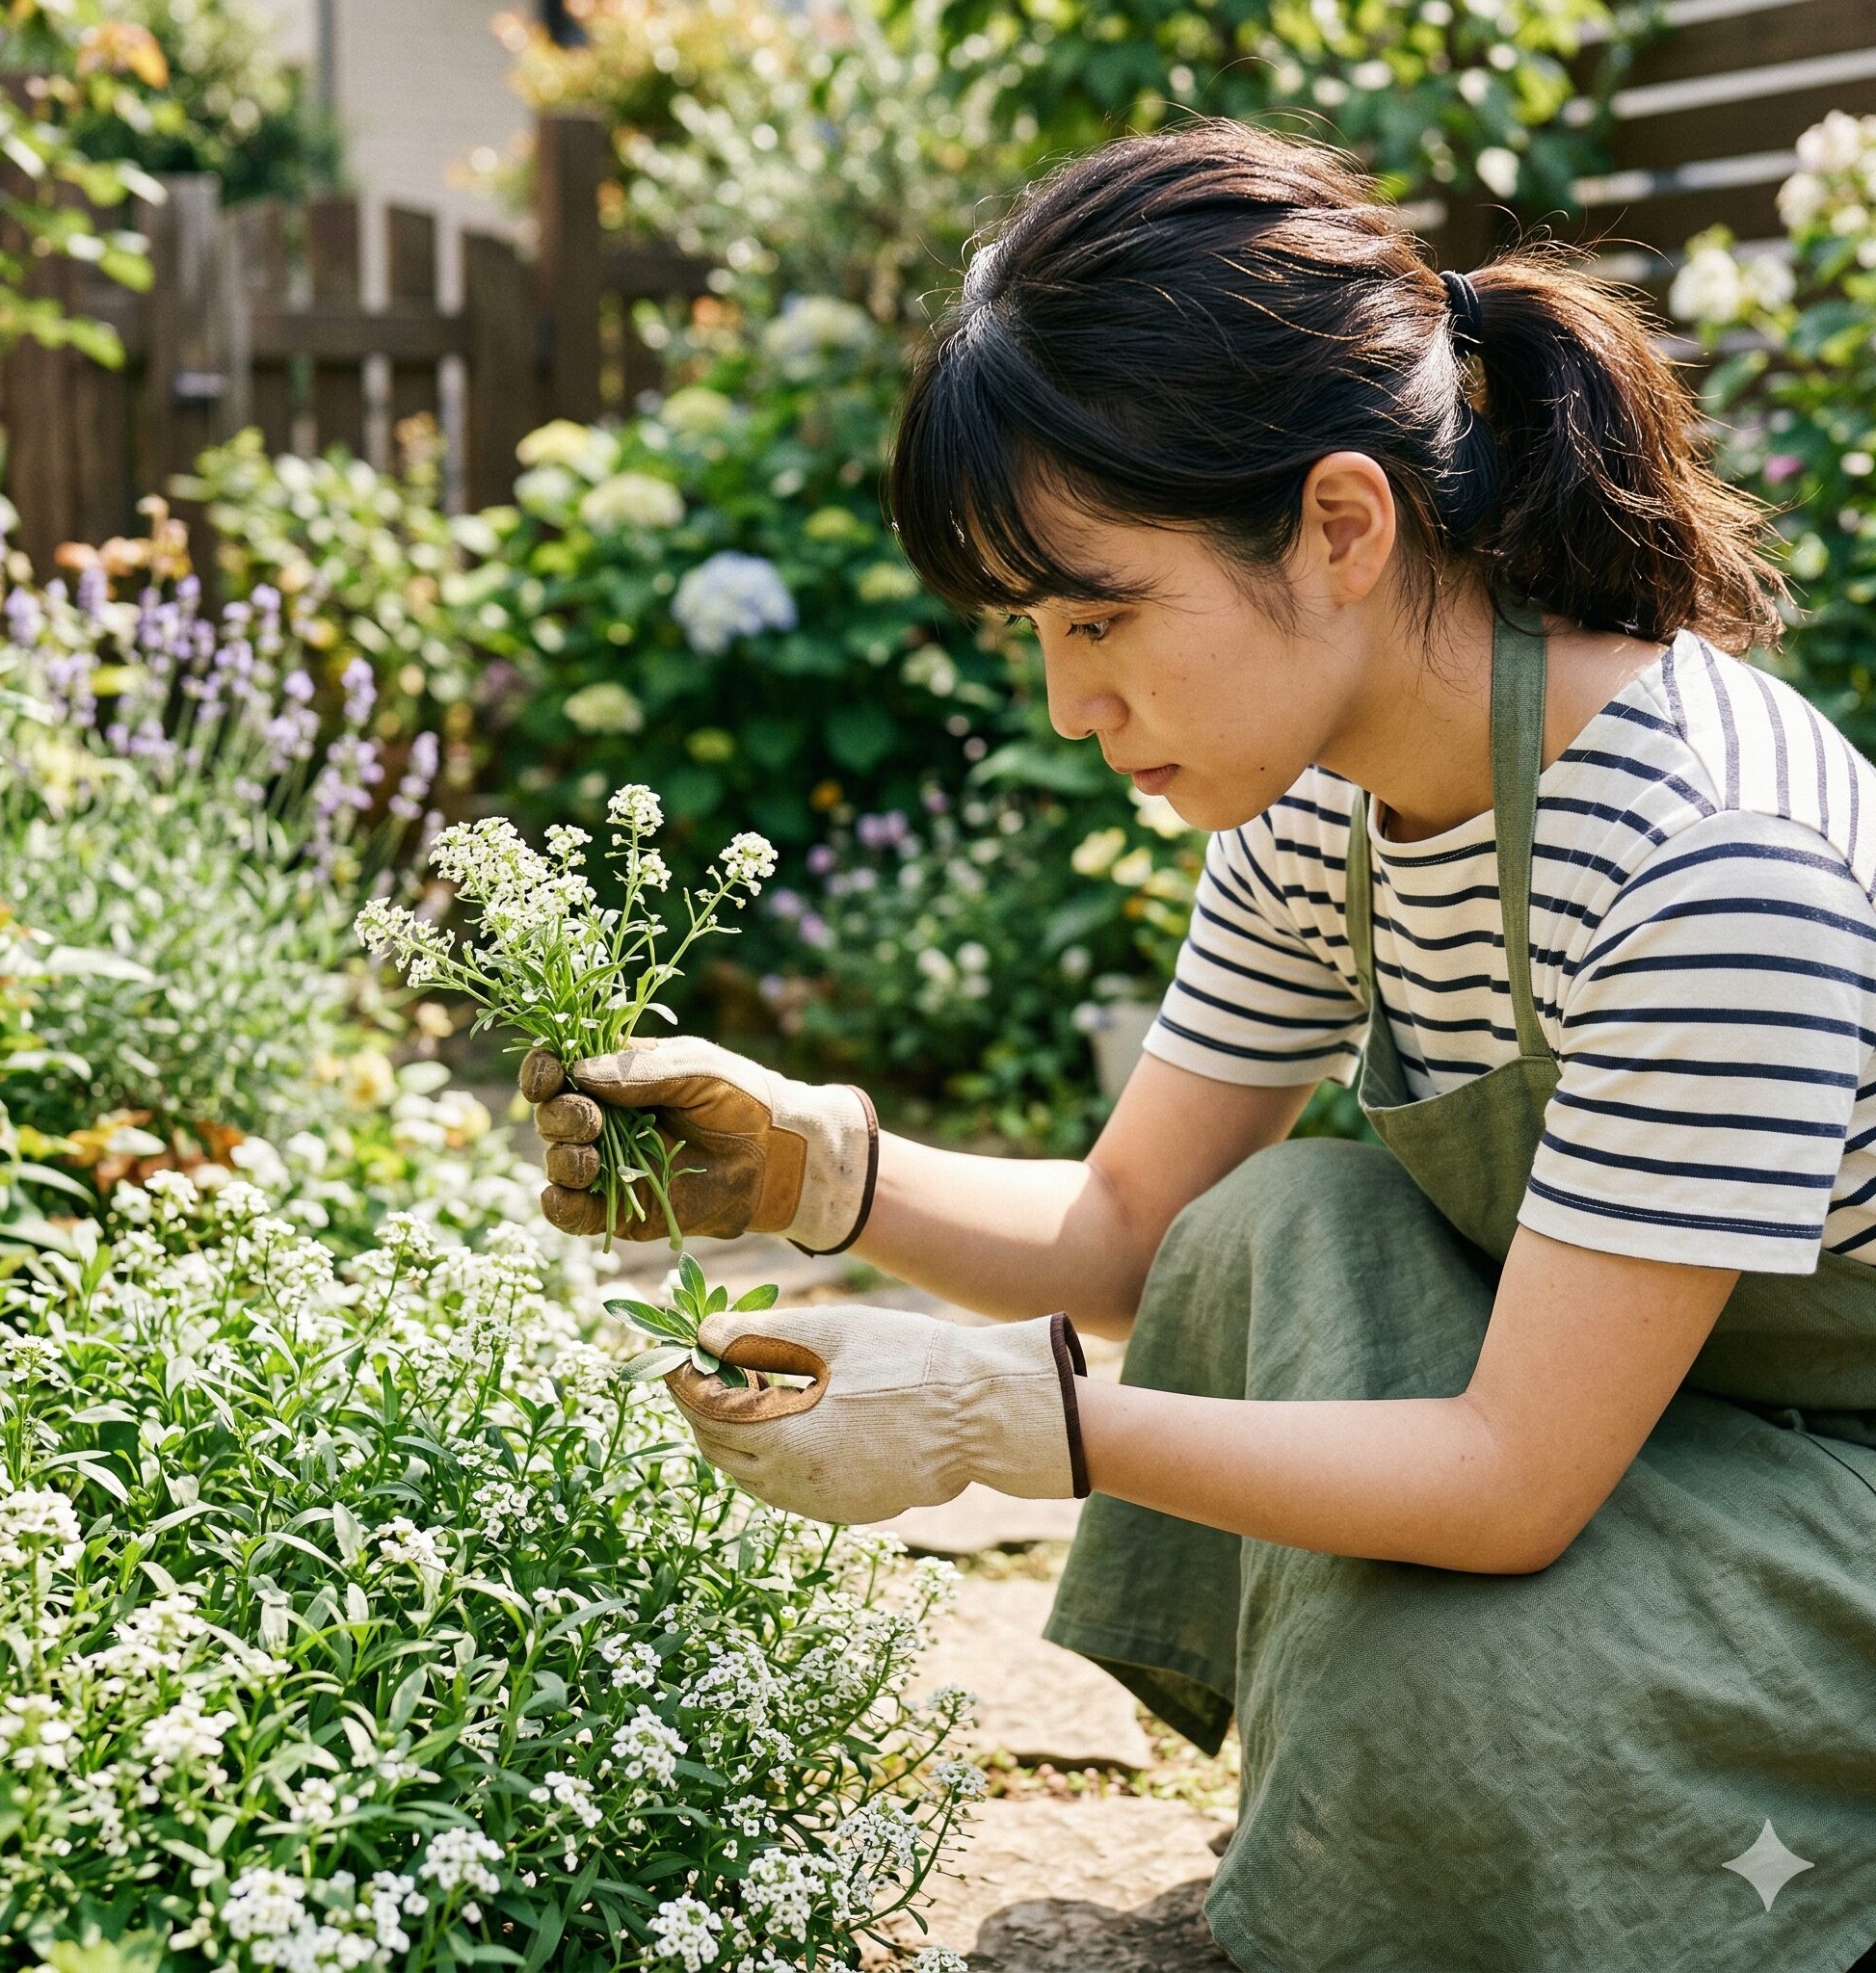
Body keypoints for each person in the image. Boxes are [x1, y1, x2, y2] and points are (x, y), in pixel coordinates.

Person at [515, 118, 1876, 1973]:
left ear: (1338, 523)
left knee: (1444, 1708)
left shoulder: (1711, 863)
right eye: (1038, 635)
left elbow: (1512, 1477)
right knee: (1271, 1228)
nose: (1076, 704)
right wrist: (818, 1165)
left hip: (1832, 1501)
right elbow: (1132, 1231)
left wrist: (1016, 1426)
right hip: (1655, 1432)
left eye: (1103, 613)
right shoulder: (1332, 801)